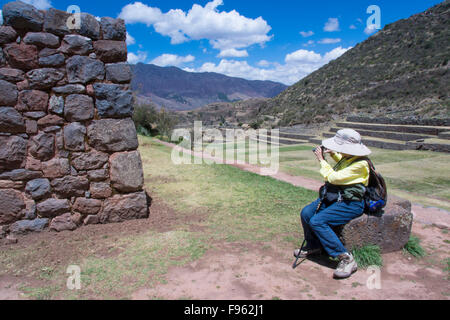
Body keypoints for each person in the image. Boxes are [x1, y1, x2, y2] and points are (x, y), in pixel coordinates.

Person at [294, 129, 372, 279]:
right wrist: (332, 154)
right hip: (336, 197)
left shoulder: (361, 164)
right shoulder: (349, 157)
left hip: (351, 203)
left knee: (317, 221)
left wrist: (321, 160)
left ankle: (346, 258)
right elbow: (342, 164)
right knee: (306, 213)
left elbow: (333, 177)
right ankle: (314, 246)